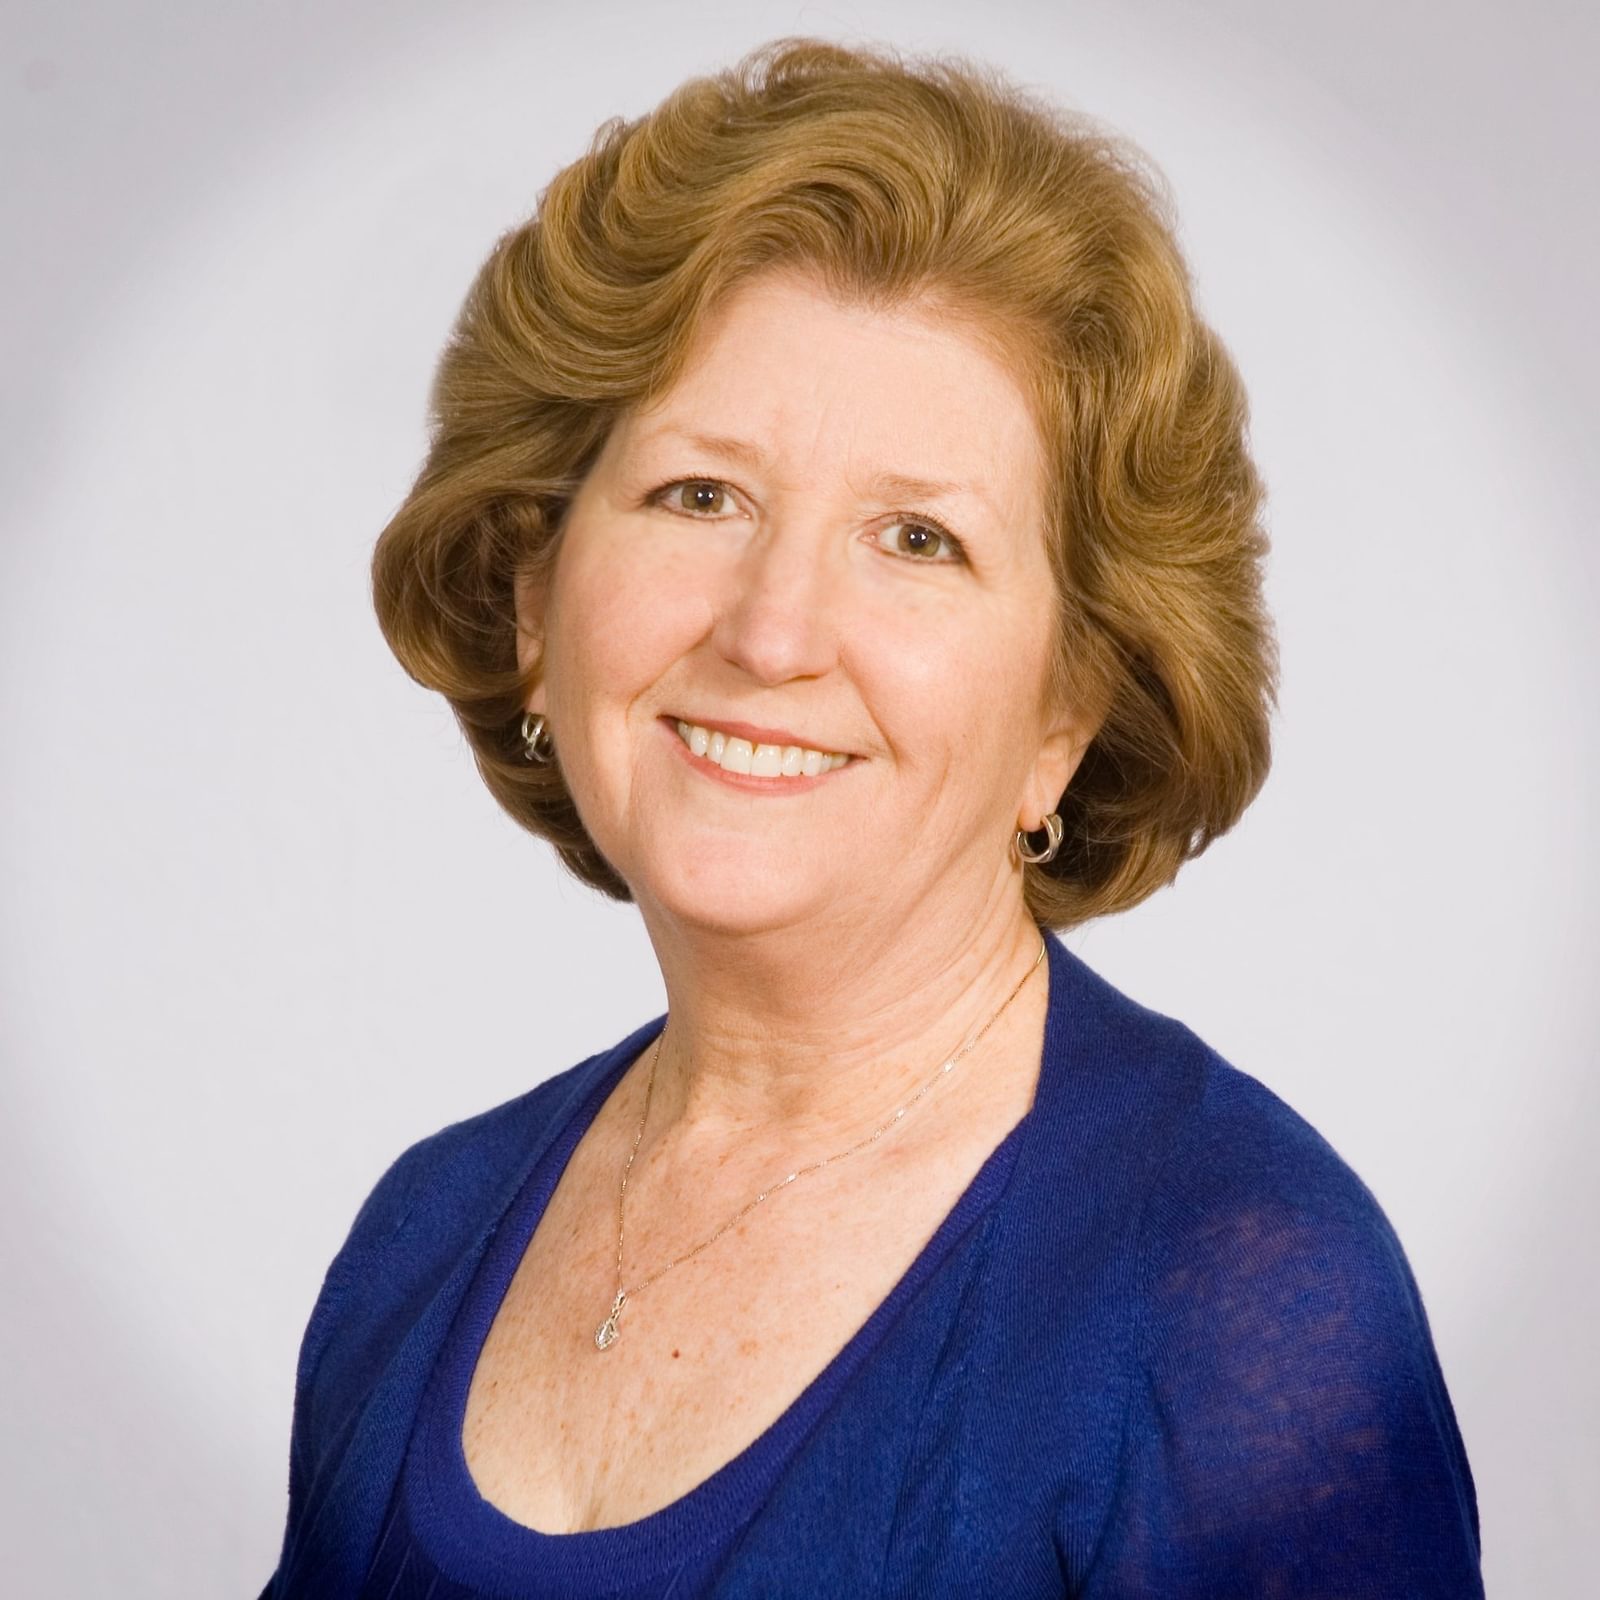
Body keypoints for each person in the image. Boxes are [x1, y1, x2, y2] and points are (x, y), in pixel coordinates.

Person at [259, 35, 1484, 1599]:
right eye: (699, 496)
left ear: (1071, 708)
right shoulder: (423, 1239)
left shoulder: (1231, 1301)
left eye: (917, 539)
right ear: (530, 600)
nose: (772, 631)